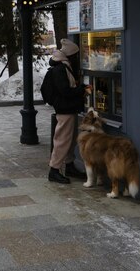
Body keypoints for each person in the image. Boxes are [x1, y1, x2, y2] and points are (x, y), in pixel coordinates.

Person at [46, 38, 92, 184]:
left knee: (70, 140)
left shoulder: (64, 66)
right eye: (76, 55)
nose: (77, 58)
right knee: (62, 140)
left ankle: (69, 166)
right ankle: (54, 170)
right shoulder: (61, 69)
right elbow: (65, 90)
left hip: (69, 108)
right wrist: (81, 89)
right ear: (70, 55)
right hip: (64, 109)